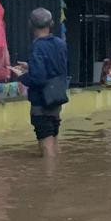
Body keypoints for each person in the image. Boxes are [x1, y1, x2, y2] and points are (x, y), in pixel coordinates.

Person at [12, 8, 68, 158]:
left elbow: (38, 79)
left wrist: (22, 76)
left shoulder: (37, 46)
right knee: (54, 139)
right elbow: (55, 68)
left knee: (46, 143)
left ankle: (48, 178)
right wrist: (30, 67)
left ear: (30, 24)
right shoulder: (60, 43)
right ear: (52, 23)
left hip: (41, 101)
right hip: (57, 98)